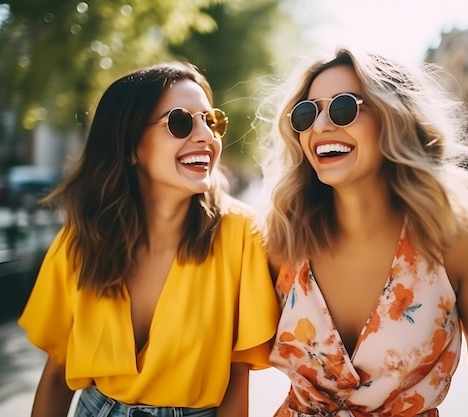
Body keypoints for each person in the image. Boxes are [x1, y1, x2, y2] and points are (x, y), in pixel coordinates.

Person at [259, 48, 468, 416]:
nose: (320, 127)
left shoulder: (458, 237)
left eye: (343, 107)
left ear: (394, 117)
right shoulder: (281, 240)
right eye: (306, 113)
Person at [18, 61, 278, 417]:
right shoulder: (82, 238)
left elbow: (237, 376)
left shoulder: (240, 234)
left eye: (211, 120)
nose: (206, 136)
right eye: (181, 122)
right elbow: (56, 374)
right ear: (129, 145)